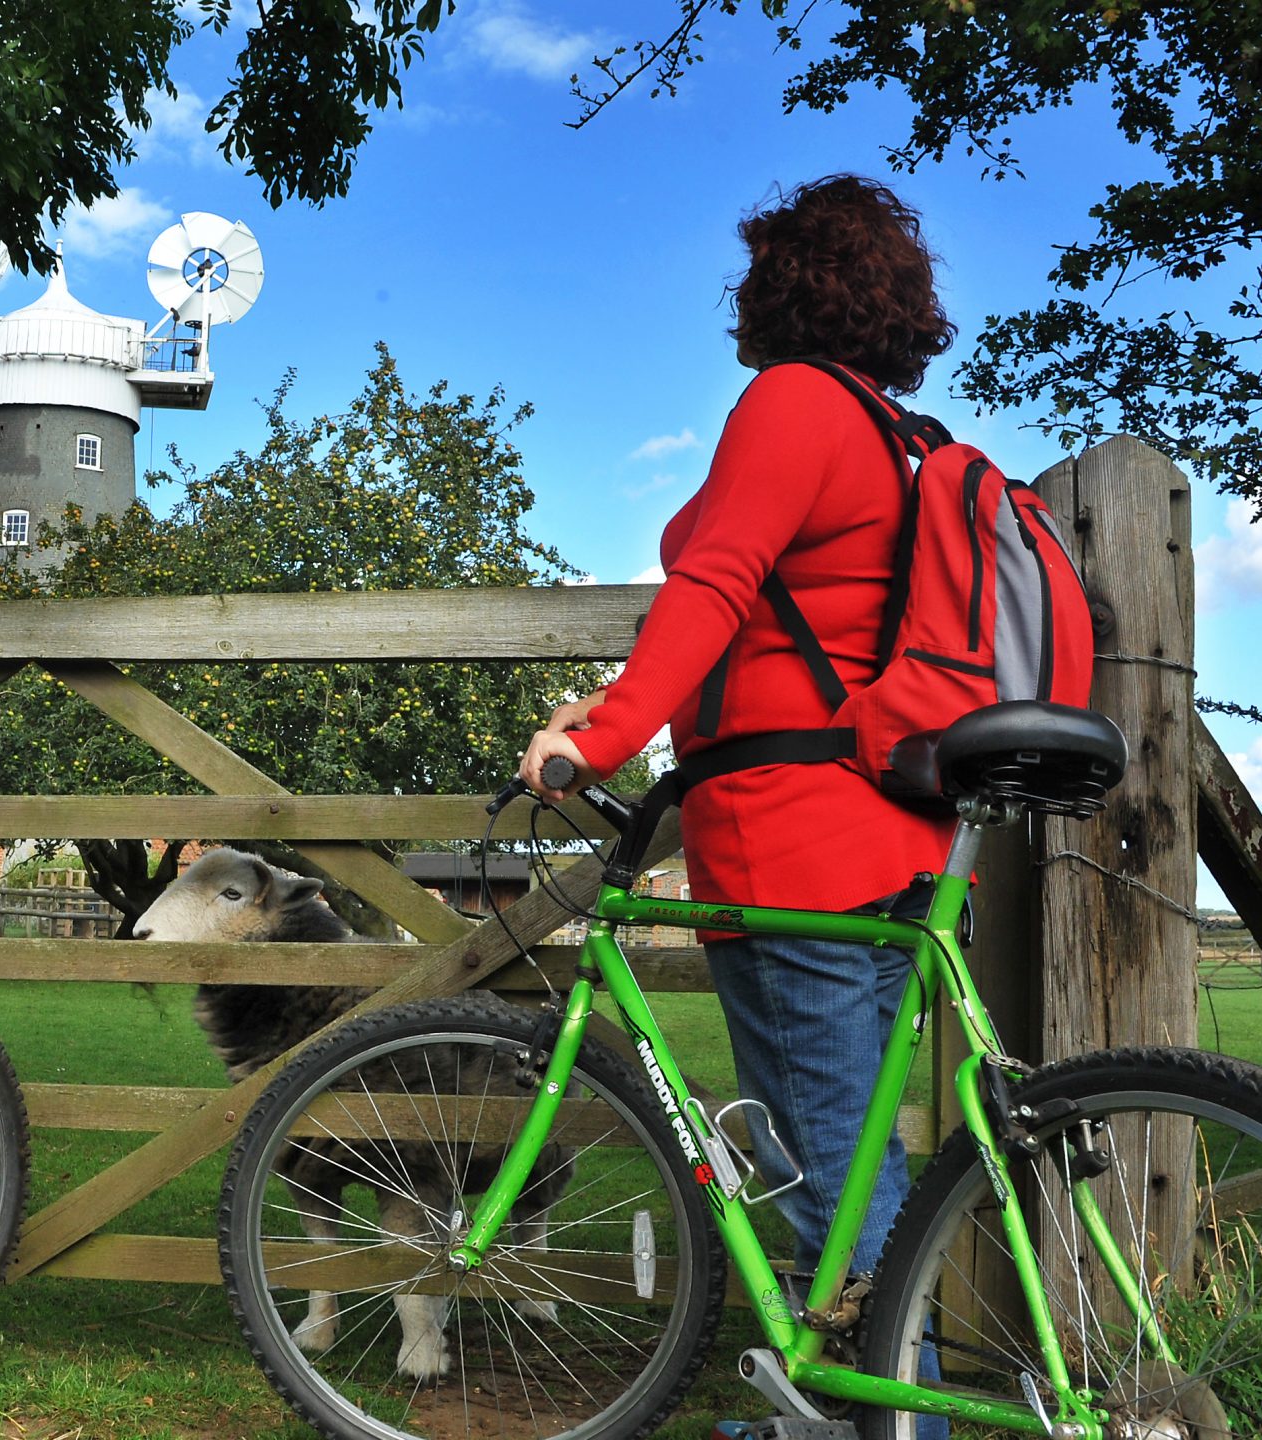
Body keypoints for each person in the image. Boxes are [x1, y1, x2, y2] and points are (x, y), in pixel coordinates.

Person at [521, 175, 954, 1440]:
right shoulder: (896, 437)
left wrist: (595, 740)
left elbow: (711, 590)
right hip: (888, 837)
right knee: (854, 1156)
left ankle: (890, 1423)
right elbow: (771, 615)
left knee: (829, 1168)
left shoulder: (791, 404)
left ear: (778, 290)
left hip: (795, 838)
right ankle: (855, 1407)